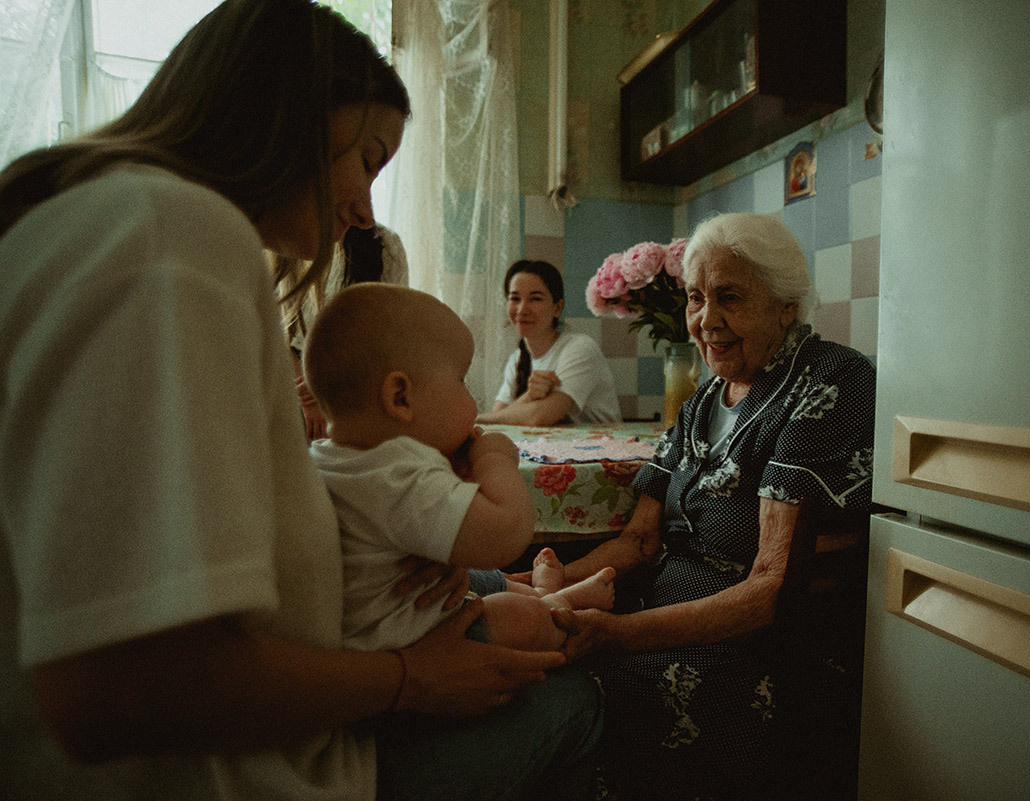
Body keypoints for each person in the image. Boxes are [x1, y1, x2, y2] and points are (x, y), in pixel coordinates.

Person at [0, 2, 599, 799]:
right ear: (291, 114)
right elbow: (123, 688)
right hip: (249, 772)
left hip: (278, 719)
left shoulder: (102, 222)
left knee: (496, 599)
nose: (365, 209)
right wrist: (406, 678)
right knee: (576, 698)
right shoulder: (169, 236)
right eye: (371, 160)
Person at [543, 213, 877, 800]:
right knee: (509, 618)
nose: (705, 321)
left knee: (551, 687)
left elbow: (770, 586)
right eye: (697, 298)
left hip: (751, 654)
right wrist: (547, 588)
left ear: (786, 305)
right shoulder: (704, 398)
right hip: (658, 617)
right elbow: (642, 540)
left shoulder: (827, 380)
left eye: (730, 298)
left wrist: (615, 633)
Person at [303, 282, 617, 657]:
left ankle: (549, 594)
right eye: (462, 380)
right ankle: (552, 609)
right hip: (411, 639)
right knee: (520, 617)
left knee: (479, 583)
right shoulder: (401, 476)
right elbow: (506, 533)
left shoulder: (329, 458)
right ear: (400, 397)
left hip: (377, 624)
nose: (471, 399)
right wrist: (494, 458)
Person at [286, 223, 410, 440]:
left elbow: (387, 335)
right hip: (292, 380)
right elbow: (275, 328)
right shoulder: (286, 240)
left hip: (356, 381)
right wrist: (309, 397)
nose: (366, 211)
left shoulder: (384, 245)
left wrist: (327, 385)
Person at [477, 259, 620, 426]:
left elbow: (539, 416)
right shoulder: (517, 359)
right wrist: (528, 396)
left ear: (557, 308)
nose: (522, 309)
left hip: (605, 448)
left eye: (535, 299)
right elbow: (498, 418)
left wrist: (477, 420)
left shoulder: (580, 348)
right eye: (515, 298)